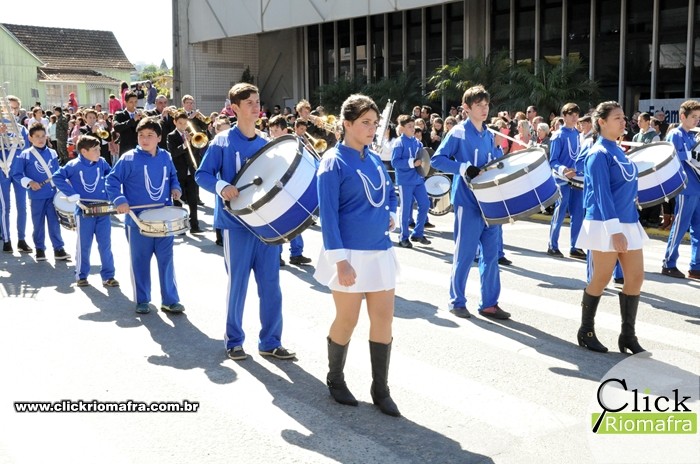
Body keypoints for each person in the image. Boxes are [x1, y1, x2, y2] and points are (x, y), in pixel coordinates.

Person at [314, 93, 400, 417]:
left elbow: (389, 193)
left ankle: (381, 389)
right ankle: (335, 378)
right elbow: (328, 216)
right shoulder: (332, 162)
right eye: (365, 122)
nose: (371, 129)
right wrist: (340, 261)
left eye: (374, 123)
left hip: (380, 250)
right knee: (348, 319)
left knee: (384, 318)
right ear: (346, 124)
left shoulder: (374, 159)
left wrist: (391, 214)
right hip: (348, 254)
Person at [195, 83, 295, 362]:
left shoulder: (266, 143)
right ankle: (234, 341)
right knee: (237, 285)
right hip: (235, 225)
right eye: (249, 102)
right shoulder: (222, 141)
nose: (256, 106)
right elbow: (202, 175)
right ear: (234, 108)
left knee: (271, 286)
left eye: (257, 101)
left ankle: (270, 342)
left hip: (265, 226)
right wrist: (221, 186)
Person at [574, 101, 648, 354]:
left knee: (636, 278)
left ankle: (628, 336)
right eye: (617, 118)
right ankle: (586, 330)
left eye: (623, 117)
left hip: (628, 220)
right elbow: (601, 195)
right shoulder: (598, 153)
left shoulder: (618, 150)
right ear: (601, 122)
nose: (623, 121)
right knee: (602, 277)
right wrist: (614, 230)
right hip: (605, 222)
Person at [431, 85, 510, 320]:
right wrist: (463, 168)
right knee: (465, 254)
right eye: (479, 105)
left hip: (490, 202)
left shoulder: (489, 134)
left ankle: (489, 304)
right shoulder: (458, 132)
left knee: (491, 255)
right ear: (466, 108)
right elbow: (437, 160)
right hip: (467, 201)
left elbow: (494, 163)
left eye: (486, 105)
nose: (484, 109)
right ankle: (457, 301)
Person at [106, 117, 184, 314]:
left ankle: (170, 300)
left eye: (150, 135)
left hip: (164, 218)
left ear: (159, 138)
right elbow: (111, 181)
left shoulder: (165, 156)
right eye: (141, 135)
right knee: (140, 261)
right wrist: (120, 200)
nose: (145, 139)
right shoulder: (128, 158)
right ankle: (142, 299)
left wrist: (175, 188)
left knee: (166, 259)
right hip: (137, 220)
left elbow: (173, 176)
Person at [52, 135, 118, 287]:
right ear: (83, 151)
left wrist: (114, 195)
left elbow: (111, 177)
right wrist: (71, 193)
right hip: (84, 211)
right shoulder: (73, 165)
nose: (99, 152)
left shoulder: (102, 162)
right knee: (84, 245)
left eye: (99, 149)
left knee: (105, 245)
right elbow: (57, 177)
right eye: (95, 150)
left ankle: (108, 276)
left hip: (103, 209)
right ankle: (81, 275)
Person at [10, 123, 69, 261]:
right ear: (30, 138)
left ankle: (58, 249)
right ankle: (40, 249)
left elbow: (57, 173)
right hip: (36, 195)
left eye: (43, 136)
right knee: (38, 223)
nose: (41, 139)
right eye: (37, 136)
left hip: (52, 194)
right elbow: (16, 174)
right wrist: (30, 182)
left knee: (54, 223)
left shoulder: (52, 153)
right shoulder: (25, 154)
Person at [660, 99, 700, 279]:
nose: (697, 120)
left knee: (698, 228)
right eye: (694, 116)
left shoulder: (692, 135)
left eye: (698, 117)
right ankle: (669, 263)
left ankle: (696, 266)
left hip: (696, 186)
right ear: (683, 116)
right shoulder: (675, 134)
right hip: (685, 188)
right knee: (680, 226)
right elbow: (671, 157)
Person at [271, 115, 312, 266]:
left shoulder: (293, 145)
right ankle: (277, 255)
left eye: (276, 130)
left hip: (293, 188)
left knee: (295, 223)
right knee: (278, 225)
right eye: (271, 130)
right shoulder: (271, 148)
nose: (272, 134)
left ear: (285, 130)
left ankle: (296, 254)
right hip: (277, 191)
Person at [547, 103, 586, 260]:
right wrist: (564, 170)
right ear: (564, 116)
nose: (575, 117)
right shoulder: (558, 136)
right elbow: (553, 161)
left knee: (578, 213)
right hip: (562, 179)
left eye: (577, 114)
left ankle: (575, 246)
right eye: (571, 114)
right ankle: (552, 245)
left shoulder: (578, 135)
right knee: (560, 211)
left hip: (577, 179)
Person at [391, 114, 431, 248]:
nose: (413, 129)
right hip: (405, 181)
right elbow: (395, 162)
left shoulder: (418, 142)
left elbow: (423, 158)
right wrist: (411, 162)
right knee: (406, 209)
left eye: (413, 126)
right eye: (409, 126)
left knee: (425, 204)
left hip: (418, 179)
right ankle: (403, 237)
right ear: (402, 128)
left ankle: (418, 233)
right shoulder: (399, 142)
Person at [0, 95, 32, 253]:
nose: (12, 111)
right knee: (4, 207)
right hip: (2, 171)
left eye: (15, 108)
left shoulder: (22, 130)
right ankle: (6, 240)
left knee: (22, 206)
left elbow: (27, 153)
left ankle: (21, 239)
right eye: (9, 108)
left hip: (19, 172)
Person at [167, 111, 202, 233]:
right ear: (175, 122)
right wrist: (184, 145)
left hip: (190, 171)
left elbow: (196, 151)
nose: (183, 126)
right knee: (178, 201)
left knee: (193, 200)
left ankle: (195, 226)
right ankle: (179, 227)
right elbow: (173, 153)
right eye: (180, 123)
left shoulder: (191, 134)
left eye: (185, 123)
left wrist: (192, 142)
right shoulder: (171, 136)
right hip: (179, 172)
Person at [113, 91, 142, 155]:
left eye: (136, 102)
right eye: (131, 102)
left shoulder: (140, 114)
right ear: (125, 103)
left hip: (139, 147)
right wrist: (133, 120)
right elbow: (117, 127)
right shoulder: (119, 114)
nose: (134, 104)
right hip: (125, 149)